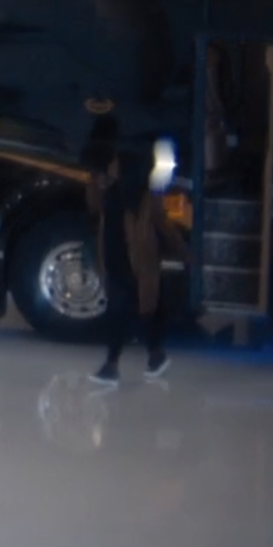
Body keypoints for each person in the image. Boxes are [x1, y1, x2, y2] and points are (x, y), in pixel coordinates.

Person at [89, 139, 181, 386]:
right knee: (136, 311)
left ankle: (112, 366)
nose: (111, 168)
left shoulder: (146, 197)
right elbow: (93, 206)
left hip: (136, 263)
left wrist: (184, 253)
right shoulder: (109, 191)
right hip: (116, 259)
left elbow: (163, 225)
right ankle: (154, 356)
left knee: (126, 311)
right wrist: (95, 181)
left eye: (115, 164)